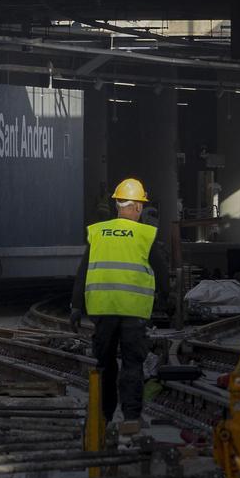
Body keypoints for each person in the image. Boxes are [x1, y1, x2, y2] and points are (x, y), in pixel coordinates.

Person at [69, 178, 168, 434]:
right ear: (137, 207)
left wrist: (76, 305)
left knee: (105, 365)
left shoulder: (98, 232)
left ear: (117, 206)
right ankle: (131, 419)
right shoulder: (145, 235)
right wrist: (166, 300)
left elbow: (83, 271)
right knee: (133, 364)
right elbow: (161, 271)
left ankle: (103, 417)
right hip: (134, 311)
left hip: (102, 310)